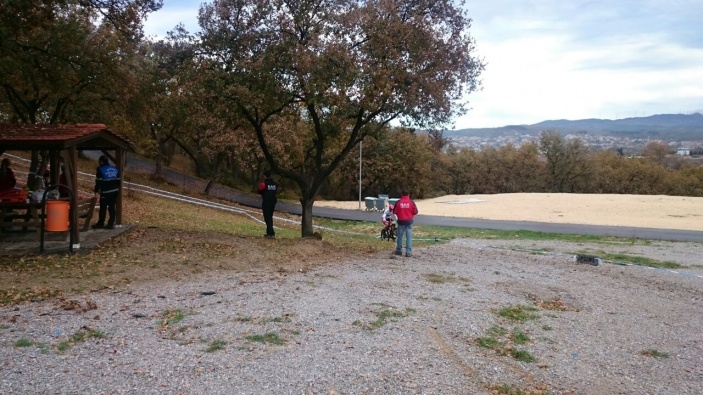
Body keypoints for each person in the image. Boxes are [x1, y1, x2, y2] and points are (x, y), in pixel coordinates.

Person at [92, 155, 120, 229]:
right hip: (114, 191)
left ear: (101, 161)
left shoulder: (100, 169)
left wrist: (96, 191)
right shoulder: (115, 169)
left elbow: (99, 182)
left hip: (106, 192)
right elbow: (118, 181)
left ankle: (101, 223)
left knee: (103, 208)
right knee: (112, 207)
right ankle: (111, 223)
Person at [392, 191, 418, 257]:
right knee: (409, 237)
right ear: (408, 195)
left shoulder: (398, 202)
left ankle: (399, 250)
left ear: (401, 195)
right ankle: (408, 252)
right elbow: (415, 212)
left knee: (400, 236)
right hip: (409, 221)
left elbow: (394, 211)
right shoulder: (411, 202)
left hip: (401, 221)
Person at [258, 170, 278, 238]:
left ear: (264, 176)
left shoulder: (263, 184)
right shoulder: (275, 184)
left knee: (267, 218)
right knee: (270, 217)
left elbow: (259, 191)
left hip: (266, 202)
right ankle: (269, 233)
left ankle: (271, 233)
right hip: (273, 202)